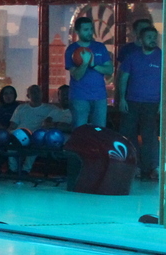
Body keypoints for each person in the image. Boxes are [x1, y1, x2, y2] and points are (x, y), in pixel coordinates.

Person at [119, 24, 161, 180]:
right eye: (149, 37)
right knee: (128, 134)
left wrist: (163, 103)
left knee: (149, 136)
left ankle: (152, 168)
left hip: (152, 102)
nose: (152, 40)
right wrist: (121, 98)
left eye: (154, 37)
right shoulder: (132, 56)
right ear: (140, 39)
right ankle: (134, 166)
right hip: (132, 101)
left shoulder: (162, 57)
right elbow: (123, 78)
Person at [8, 84, 69, 177]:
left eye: (38, 92)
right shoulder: (21, 108)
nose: (36, 94)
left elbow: (50, 124)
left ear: (42, 94)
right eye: (33, 92)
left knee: (37, 140)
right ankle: (13, 170)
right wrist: (8, 133)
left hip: (36, 135)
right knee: (10, 141)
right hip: (19, 133)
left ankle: (25, 170)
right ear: (28, 96)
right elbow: (13, 125)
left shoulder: (51, 109)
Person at [65, 15, 112, 127]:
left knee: (99, 130)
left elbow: (109, 70)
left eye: (91, 29)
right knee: (80, 129)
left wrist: (93, 65)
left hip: (99, 96)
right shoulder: (71, 49)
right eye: (86, 30)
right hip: (79, 97)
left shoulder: (100, 47)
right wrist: (85, 63)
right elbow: (76, 76)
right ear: (77, 31)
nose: (90, 32)